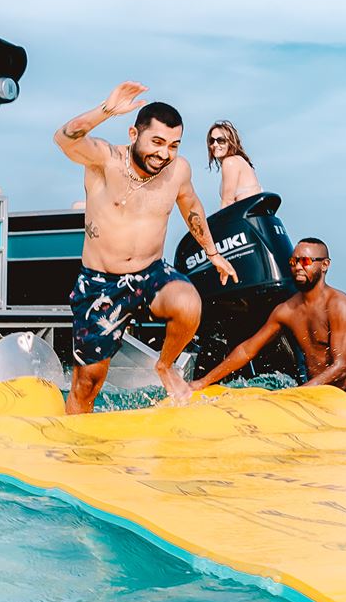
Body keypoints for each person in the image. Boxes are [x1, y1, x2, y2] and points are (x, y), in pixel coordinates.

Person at [53, 81, 238, 412]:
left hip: (150, 273)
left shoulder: (177, 170)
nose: (164, 153)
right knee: (87, 382)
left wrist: (213, 253)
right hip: (101, 282)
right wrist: (105, 110)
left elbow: (190, 205)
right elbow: (64, 139)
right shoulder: (104, 161)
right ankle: (75, 445)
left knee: (188, 303)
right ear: (133, 134)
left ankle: (165, 366)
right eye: (156, 142)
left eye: (173, 145)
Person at [190, 237, 346, 407]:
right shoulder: (286, 310)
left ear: (325, 265)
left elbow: (341, 366)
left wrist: (298, 393)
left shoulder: (339, 305)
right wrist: (203, 381)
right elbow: (248, 349)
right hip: (318, 396)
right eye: (293, 261)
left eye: (305, 261)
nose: (297, 267)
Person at [206, 120, 262, 208]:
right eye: (212, 140)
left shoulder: (230, 162)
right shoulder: (239, 161)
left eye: (220, 140)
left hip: (248, 219)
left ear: (230, 142)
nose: (215, 144)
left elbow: (227, 202)